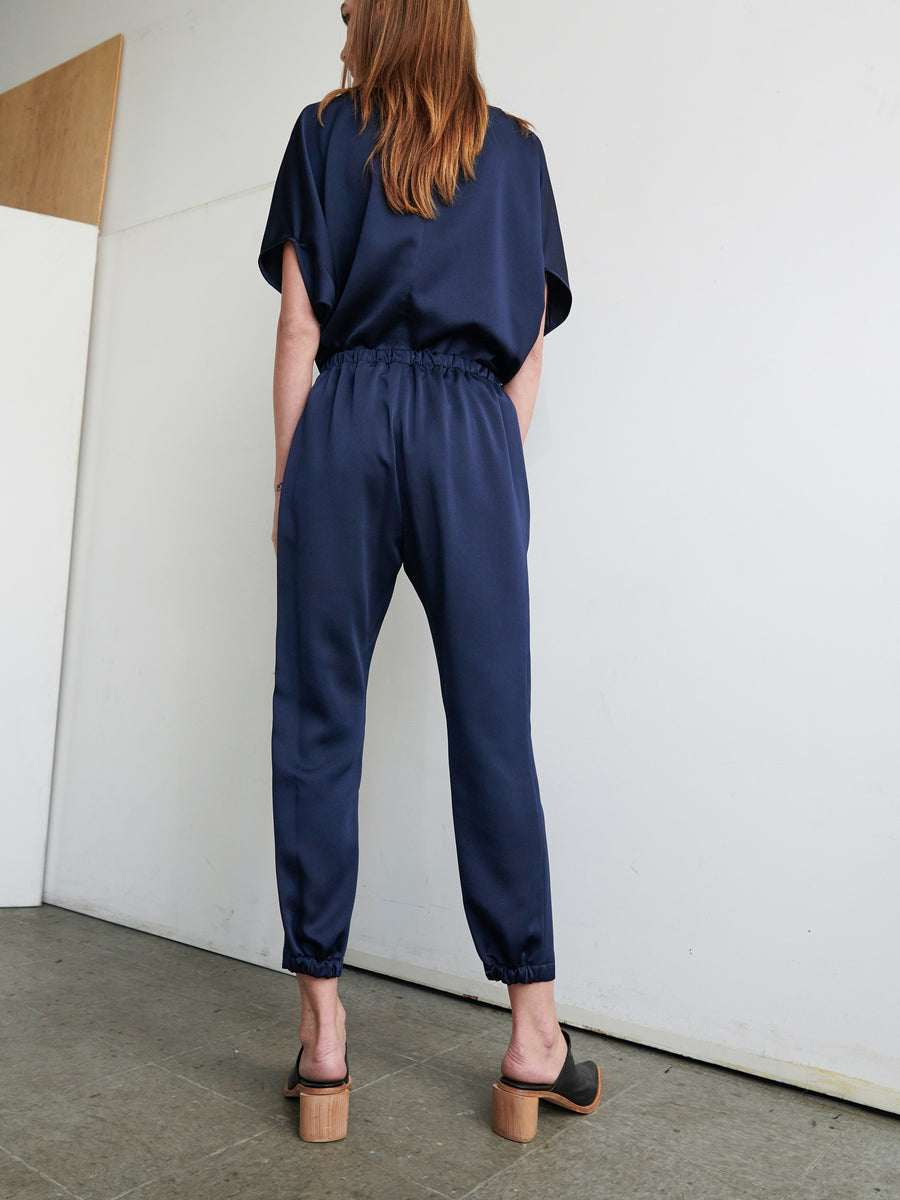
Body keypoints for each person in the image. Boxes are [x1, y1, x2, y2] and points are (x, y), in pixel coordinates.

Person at [258, 0, 600, 1143]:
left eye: (352, 7)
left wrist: (287, 485)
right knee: (494, 723)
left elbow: (301, 331)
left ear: (386, 18)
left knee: (316, 720)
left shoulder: (319, 134)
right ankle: (534, 1038)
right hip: (468, 431)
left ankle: (322, 1041)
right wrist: (486, 461)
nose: (341, 21)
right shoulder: (520, 152)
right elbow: (530, 357)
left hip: (344, 420)